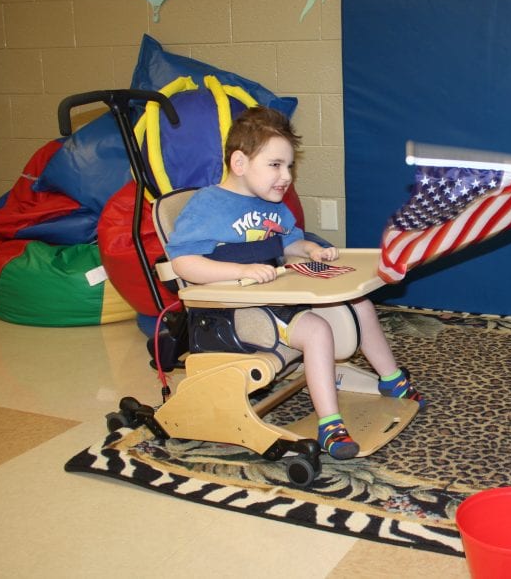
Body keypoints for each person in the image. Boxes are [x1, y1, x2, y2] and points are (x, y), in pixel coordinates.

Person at [165, 106, 424, 460]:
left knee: (359, 304)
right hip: (234, 313)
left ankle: (390, 378)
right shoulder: (209, 206)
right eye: (275, 165)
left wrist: (310, 248)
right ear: (239, 163)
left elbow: (288, 244)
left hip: (279, 298)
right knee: (317, 330)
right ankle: (330, 424)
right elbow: (183, 263)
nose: (286, 176)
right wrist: (239, 272)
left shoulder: (273, 206)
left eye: (289, 166)